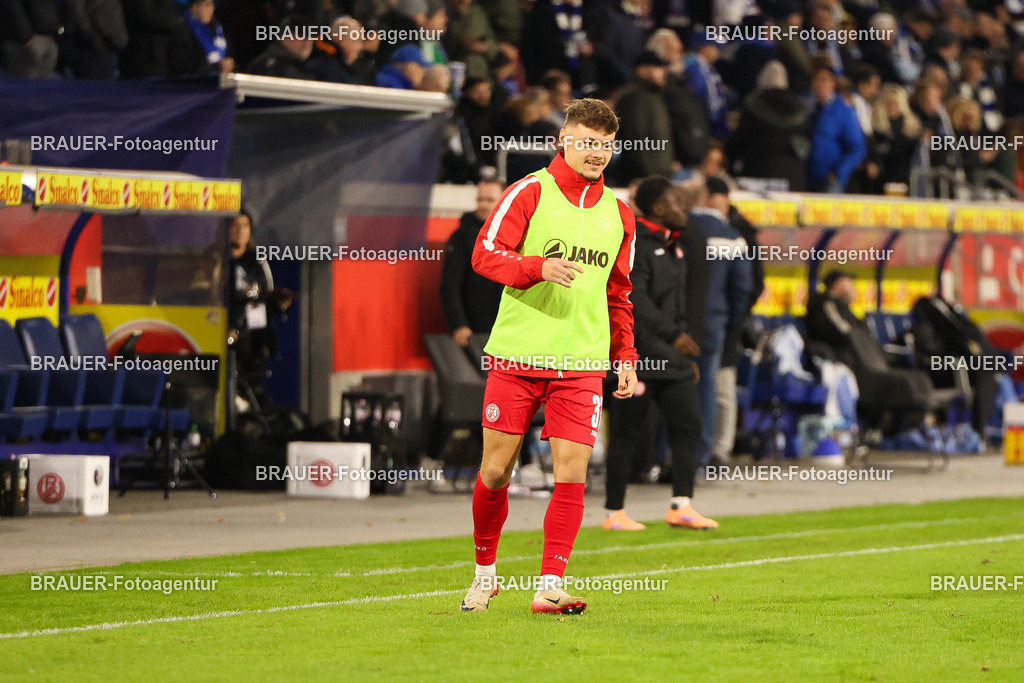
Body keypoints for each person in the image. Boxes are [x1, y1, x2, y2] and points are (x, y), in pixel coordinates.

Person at [462, 98, 638, 615]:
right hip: (518, 356)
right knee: (495, 471)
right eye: (586, 142)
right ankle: (485, 574)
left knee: (572, 473)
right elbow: (484, 255)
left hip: (582, 364)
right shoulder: (529, 191)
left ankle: (550, 586)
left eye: (605, 145)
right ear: (564, 140)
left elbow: (619, 294)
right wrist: (538, 267)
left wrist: (625, 355)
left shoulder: (619, 214)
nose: (596, 153)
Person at [603, 177, 717, 532]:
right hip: (638, 356)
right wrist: (675, 336)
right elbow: (633, 298)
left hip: (673, 358)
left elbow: (679, 305)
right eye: (677, 204)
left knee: (689, 426)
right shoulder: (634, 241)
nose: (685, 210)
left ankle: (681, 505)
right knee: (626, 433)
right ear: (656, 209)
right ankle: (614, 512)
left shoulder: (676, 246)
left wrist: (685, 355)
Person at [689, 177, 753, 467]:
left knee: (672, 390)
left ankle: (666, 454)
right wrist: (730, 321)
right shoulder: (731, 236)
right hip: (713, 325)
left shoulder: (678, 231)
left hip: (674, 326)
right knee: (707, 390)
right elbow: (743, 288)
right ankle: (699, 455)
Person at [227, 211, 292, 405]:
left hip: (253, 345)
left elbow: (269, 297)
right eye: (235, 225)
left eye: (245, 226)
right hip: (225, 340)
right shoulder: (218, 260)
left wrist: (281, 304)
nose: (240, 231)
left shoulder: (258, 261)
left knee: (253, 398)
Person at [440, 179, 505, 347]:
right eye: (480, 199)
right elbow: (450, 285)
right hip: (475, 331)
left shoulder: (516, 232)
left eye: (489, 200)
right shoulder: (461, 237)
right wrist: (459, 324)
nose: (483, 205)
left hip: (508, 329)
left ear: (503, 200)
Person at [727, 60, 810, 192]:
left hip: (756, 174)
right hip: (792, 176)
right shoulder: (800, 110)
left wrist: (731, 166)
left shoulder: (753, 106)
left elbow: (738, 141)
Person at [612, 51, 676, 183]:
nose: (664, 72)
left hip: (659, 176)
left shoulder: (654, 96)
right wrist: (650, 176)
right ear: (642, 69)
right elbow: (635, 140)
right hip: (643, 180)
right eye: (658, 67)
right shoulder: (633, 97)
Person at [807, 63, 867, 193]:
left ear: (833, 83)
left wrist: (839, 173)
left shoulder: (843, 110)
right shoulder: (804, 107)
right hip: (805, 177)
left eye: (825, 79)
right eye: (816, 79)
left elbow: (857, 147)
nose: (820, 83)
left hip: (830, 179)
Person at [169, 0, 234, 77]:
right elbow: (183, 69)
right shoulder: (182, 32)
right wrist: (217, 67)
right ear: (194, 7)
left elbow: (230, 56)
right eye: (204, 5)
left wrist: (231, 64)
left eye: (210, 5)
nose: (207, 9)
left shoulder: (218, 32)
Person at [246, 15, 316, 80]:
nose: (308, 43)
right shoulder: (269, 66)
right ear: (284, 37)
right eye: (301, 36)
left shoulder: (308, 67)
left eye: (311, 37)